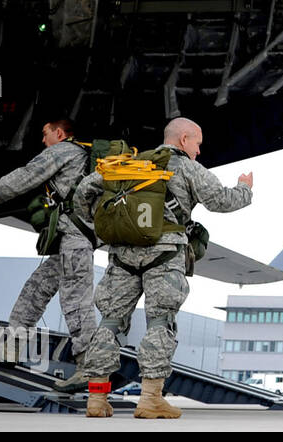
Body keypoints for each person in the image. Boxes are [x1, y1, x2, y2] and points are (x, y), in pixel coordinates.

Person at [73, 117, 253, 419]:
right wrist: (244, 188)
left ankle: (96, 398)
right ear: (184, 139)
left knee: (110, 323)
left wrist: (101, 223)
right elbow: (221, 201)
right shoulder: (187, 167)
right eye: (197, 143)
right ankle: (150, 399)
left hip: (122, 254)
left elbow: (83, 193)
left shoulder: (129, 162)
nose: (198, 151)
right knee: (160, 323)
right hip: (164, 253)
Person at [0, 118, 97, 389]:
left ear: (59, 133)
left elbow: (25, 177)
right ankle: (11, 347)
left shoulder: (63, 151)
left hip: (75, 241)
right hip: (72, 240)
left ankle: (89, 366)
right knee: (35, 289)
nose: (42, 140)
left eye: (45, 133)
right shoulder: (84, 156)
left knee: (76, 303)